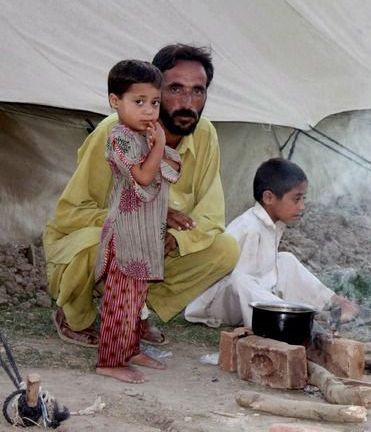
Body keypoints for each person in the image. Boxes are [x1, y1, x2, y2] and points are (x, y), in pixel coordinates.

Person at [43, 44, 240, 347]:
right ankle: (74, 313)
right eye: (175, 88)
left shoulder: (205, 135)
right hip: (100, 242)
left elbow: (211, 216)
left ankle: (136, 310)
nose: (188, 102)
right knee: (103, 239)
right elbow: (71, 213)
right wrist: (147, 222)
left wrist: (175, 238)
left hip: (155, 252)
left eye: (198, 91)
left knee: (224, 249)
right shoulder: (116, 133)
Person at [184, 158, 359, 327]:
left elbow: (263, 275)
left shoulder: (272, 224)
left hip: (251, 295)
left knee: (285, 260)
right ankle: (289, 320)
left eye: (303, 199)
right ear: (268, 197)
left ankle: (333, 302)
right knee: (242, 280)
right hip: (217, 306)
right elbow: (238, 283)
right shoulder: (249, 228)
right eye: (296, 199)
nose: (302, 206)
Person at [94, 59, 178, 383]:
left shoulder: (144, 135)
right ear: (116, 102)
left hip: (144, 233)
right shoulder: (119, 137)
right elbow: (144, 177)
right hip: (126, 234)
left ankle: (130, 350)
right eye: (138, 102)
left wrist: (157, 144)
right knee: (119, 302)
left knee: (135, 302)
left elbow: (168, 170)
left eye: (154, 103)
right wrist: (159, 144)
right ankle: (109, 360)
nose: (148, 111)